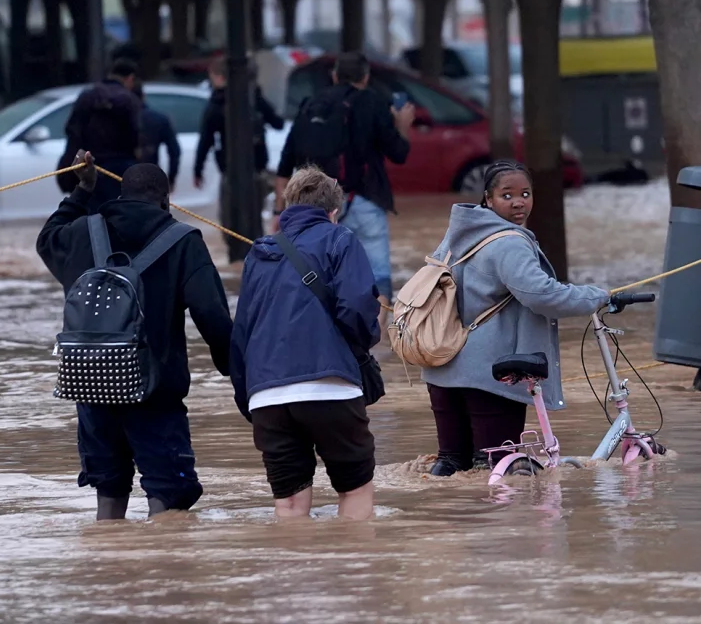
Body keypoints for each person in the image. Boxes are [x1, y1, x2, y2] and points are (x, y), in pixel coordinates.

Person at [36, 152, 234, 520]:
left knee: (109, 489)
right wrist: (234, 370)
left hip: (93, 386)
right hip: (154, 392)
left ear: (121, 194)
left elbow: (46, 240)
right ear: (166, 200)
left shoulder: (82, 231)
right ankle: (159, 571)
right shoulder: (183, 240)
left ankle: (111, 567)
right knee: (169, 495)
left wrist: (82, 192)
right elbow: (211, 314)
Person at [420, 160, 610, 476]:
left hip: (441, 369)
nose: (519, 202)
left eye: (525, 193)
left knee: (451, 468)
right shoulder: (510, 242)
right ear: (488, 199)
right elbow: (542, 295)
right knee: (497, 470)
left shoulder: (455, 237)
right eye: (507, 195)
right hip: (491, 375)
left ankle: (446, 524)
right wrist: (598, 296)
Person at [230, 166, 382, 520]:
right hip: (330, 389)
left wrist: (249, 397)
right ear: (333, 212)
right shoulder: (340, 239)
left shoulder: (259, 253)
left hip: (267, 396)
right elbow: (357, 309)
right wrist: (363, 346)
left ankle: (295, 570)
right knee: (354, 490)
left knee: (289, 504)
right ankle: (356, 572)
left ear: (287, 206)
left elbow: (242, 332)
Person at [275, 52, 414, 325]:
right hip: (364, 199)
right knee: (377, 276)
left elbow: (285, 162)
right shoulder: (372, 102)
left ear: (335, 75)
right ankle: (376, 346)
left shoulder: (310, 104)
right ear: (365, 77)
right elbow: (398, 153)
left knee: (321, 275)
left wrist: (278, 212)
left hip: (315, 207)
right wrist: (403, 127)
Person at [194, 57, 285, 266]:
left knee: (230, 220)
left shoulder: (217, 103)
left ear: (219, 77)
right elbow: (278, 122)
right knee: (254, 220)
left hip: (234, 173)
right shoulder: (254, 99)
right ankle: (258, 259)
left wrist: (198, 169)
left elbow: (205, 139)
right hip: (256, 171)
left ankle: (242, 258)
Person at [56, 59, 141, 200]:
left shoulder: (87, 96)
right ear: (130, 78)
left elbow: (72, 131)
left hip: (89, 166)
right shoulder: (129, 99)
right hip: (121, 168)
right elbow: (137, 136)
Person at [132, 82, 181, 191]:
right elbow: (174, 152)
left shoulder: (117, 120)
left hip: (121, 178)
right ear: (143, 96)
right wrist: (171, 178)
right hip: (151, 177)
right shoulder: (159, 119)